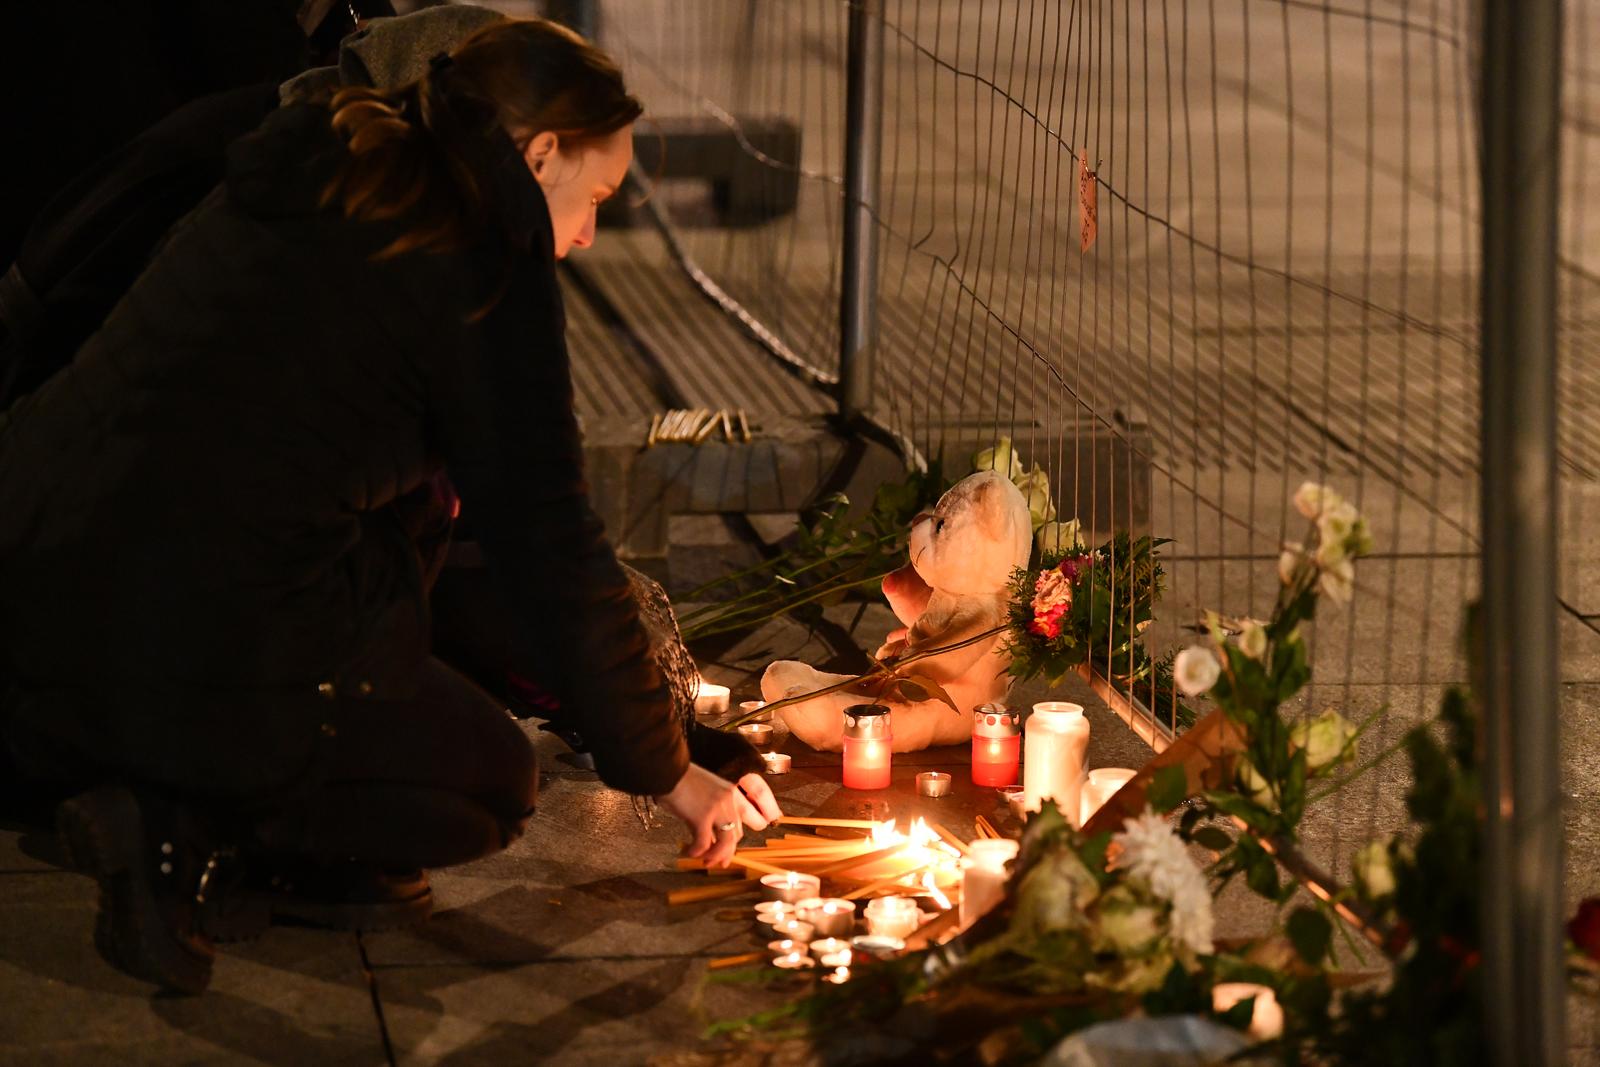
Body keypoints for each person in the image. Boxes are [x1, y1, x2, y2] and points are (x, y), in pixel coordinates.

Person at [0, 17, 781, 995]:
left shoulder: (311, 151)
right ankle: (176, 829)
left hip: (35, 571)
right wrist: (673, 768)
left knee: (408, 573)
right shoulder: (474, 278)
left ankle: (145, 772)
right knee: (480, 784)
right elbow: (548, 552)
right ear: (537, 153)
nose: (584, 237)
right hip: (167, 624)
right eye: (593, 198)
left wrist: (639, 719)